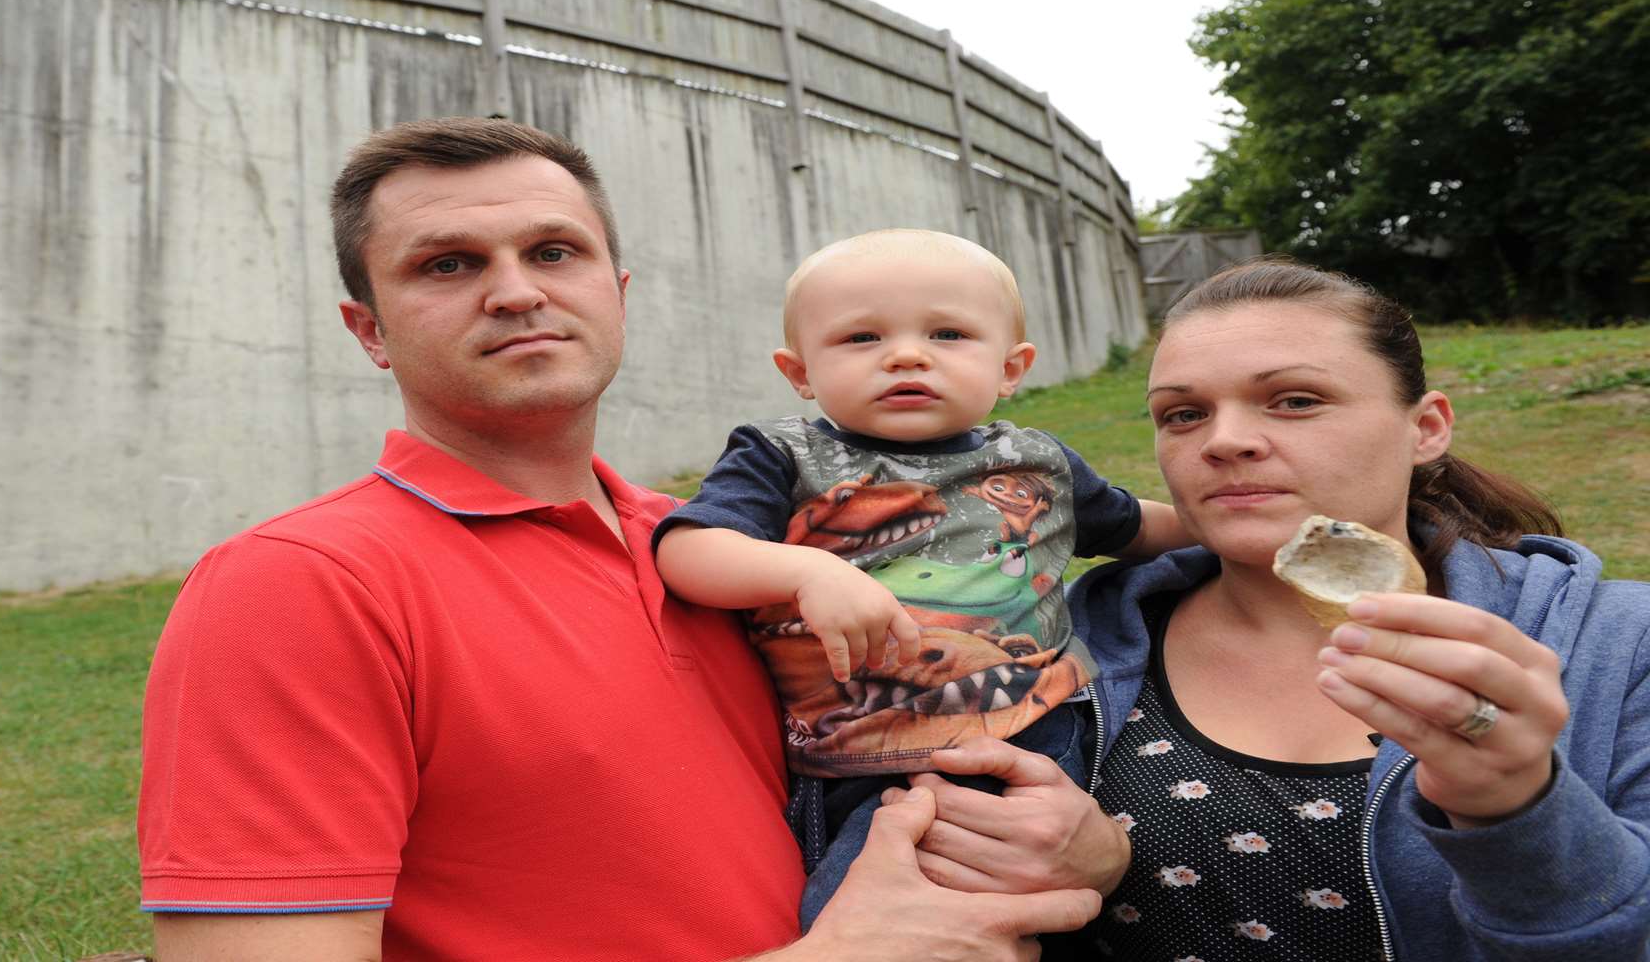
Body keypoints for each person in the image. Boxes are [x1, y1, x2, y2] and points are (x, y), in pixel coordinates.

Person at [136, 118, 1113, 961]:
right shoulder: (299, 585)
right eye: (448, 264)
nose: (516, 293)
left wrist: (1091, 848)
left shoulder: (735, 548)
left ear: (619, 289)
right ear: (370, 330)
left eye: (554, 252)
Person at [1033, 257, 1650, 960]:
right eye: (1183, 414)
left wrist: (1515, 811)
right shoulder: (1068, 641)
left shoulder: (1622, 644)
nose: (1223, 440)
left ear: (1427, 428)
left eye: (1296, 400)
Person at [653, 229, 1188, 919]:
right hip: (866, 757)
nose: (907, 354)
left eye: (948, 333)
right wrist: (804, 569)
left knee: (1044, 909)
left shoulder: (1039, 461)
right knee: (864, 914)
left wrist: (1235, 527)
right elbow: (689, 551)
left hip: (1041, 734)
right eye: (861, 339)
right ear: (801, 372)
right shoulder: (782, 454)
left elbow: (1140, 529)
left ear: (1010, 367)